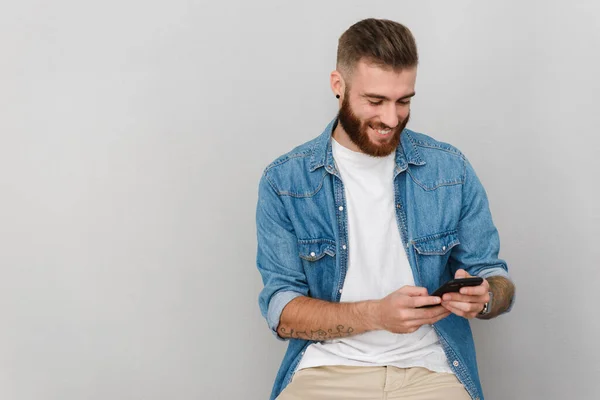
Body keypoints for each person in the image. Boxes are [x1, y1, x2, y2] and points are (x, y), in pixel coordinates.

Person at [255, 18, 515, 400]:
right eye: (375, 101)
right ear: (338, 87)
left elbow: (496, 279)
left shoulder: (449, 169)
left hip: (430, 369)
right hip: (328, 369)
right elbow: (282, 310)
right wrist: (376, 315)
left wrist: (486, 295)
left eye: (404, 101)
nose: (391, 119)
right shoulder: (286, 181)